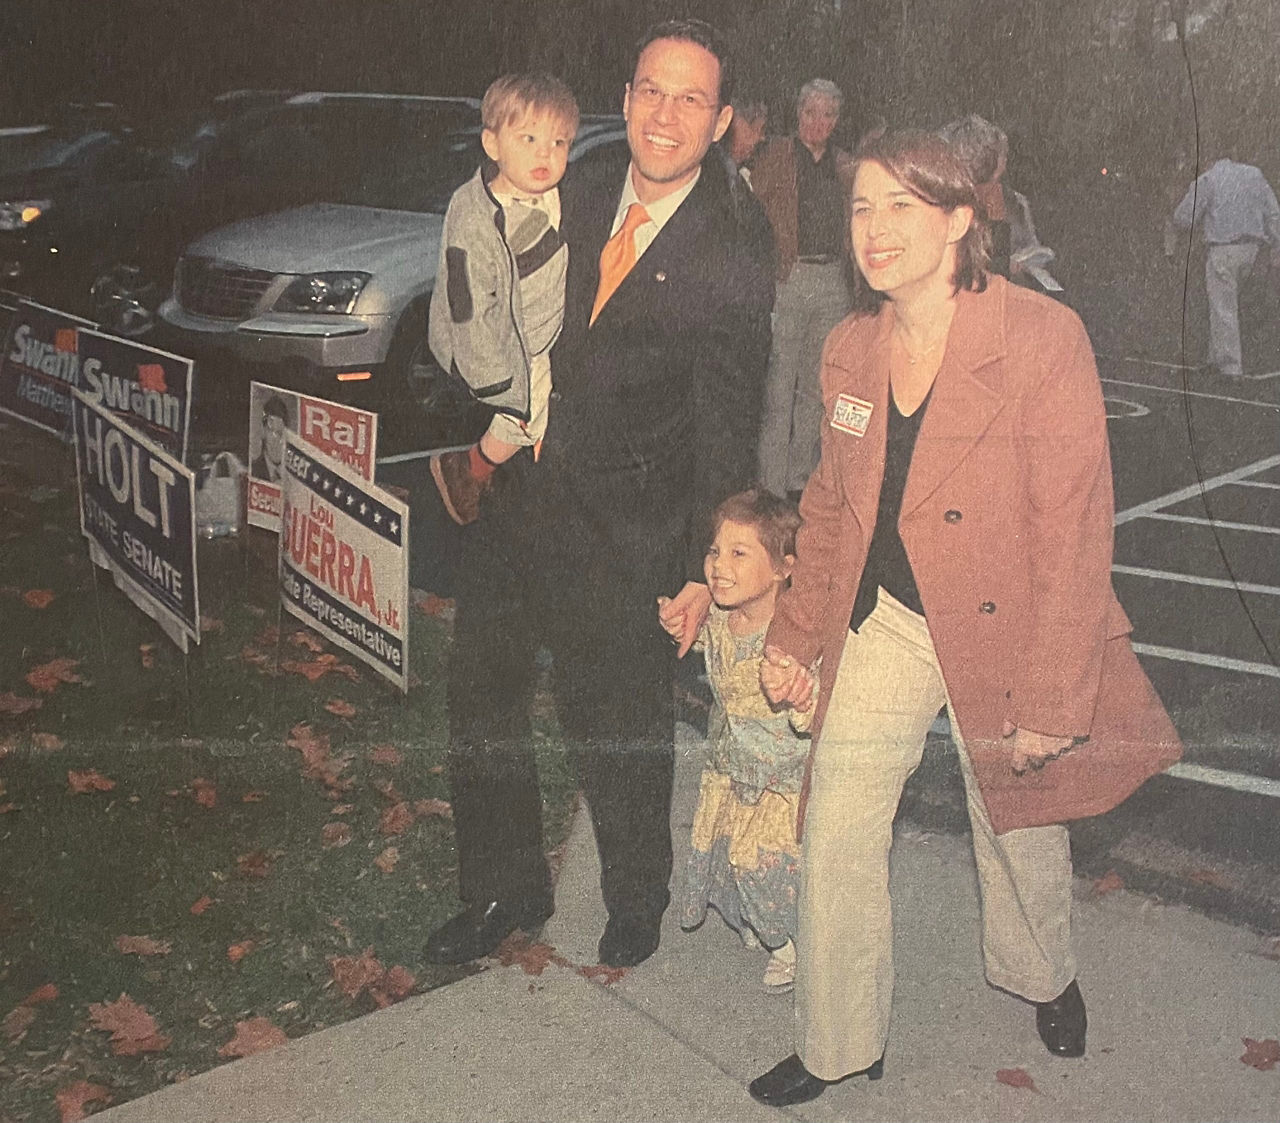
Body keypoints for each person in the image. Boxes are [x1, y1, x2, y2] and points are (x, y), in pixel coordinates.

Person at [743, 128, 1183, 1108]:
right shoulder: (849, 346)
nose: (875, 228)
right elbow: (827, 503)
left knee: (1015, 825)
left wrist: (1052, 691)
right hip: (890, 617)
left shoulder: (1036, 337)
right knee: (839, 826)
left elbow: (1074, 530)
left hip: (1005, 625)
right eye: (860, 206)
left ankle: (1045, 976)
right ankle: (837, 1041)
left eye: (902, 206)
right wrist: (792, 634)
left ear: (954, 220)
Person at [424, 19, 774, 971]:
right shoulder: (568, 180)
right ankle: (502, 889)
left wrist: (707, 563)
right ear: (625, 99)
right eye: (651, 90)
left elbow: (726, 421)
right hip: (518, 501)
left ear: (724, 121)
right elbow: (485, 256)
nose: (665, 114)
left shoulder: (737, 242)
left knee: (616, 722)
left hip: (629, 525)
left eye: (690, 98)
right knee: (482, 700)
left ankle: (636, 896)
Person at [665, 489, 810, 991]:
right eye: (714, 551)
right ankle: (762, 922)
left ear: (782, 569)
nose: (718, 566)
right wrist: (680, 621)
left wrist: (802, 693)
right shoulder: (724, 618)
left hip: (779, 782)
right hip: (731, 768)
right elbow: (712, 650)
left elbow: (814, 700)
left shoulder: (790, 636)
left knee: (760, 864)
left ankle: (791, 944)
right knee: (730, 852)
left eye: (738, 553)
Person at [427, 74, 580, 525]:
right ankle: (467, 470)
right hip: (509, 347)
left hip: (543, 333)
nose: (544, 154)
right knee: (527, 419)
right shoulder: (476, 216)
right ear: (492, 144)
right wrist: (491, 378)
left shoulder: (553, 195)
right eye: (528, 138)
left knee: (541, 424)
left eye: (559, 143)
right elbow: (466, 302)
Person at [752, 79, 854, 501]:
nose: (819, 123)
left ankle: (798, 479)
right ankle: (769, 484)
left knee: (817, 385)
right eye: (812, 113)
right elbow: (752, 212)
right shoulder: (775, 156)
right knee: (780, 383)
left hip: (832, 280)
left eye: (828, 115)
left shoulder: (845, 165)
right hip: (789, 278)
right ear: (798, 114)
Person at [1170, 146, 1280, 377]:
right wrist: (1276, 243)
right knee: (1234, 304)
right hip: (1253, 248)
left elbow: (1184, 217)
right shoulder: (1254, 175)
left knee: (1222, 306)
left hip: (1223, 248)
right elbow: (1273, 212)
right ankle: (1217, 356)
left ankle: (1230, 366)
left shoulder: (1208, 179)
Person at [938, 113, 1057, 291]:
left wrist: (1022, 270)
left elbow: (1030, 251)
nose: (1005, 163)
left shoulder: (1014, 203)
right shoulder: (937, 205)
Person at [725, 95, 767, 184]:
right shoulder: (720, 173)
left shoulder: (742, 177)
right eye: (759, 129)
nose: (762, 138)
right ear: (740, 124)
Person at [250, 392, 290, 482]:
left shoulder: (292, 477)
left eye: (281, 435)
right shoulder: (253, 471)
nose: (278, 441)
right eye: (273, 433)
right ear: (263, 432)